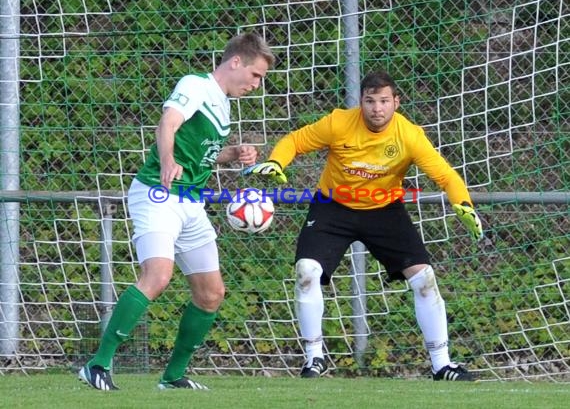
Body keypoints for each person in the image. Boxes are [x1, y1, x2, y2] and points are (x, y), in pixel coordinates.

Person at [245, 70, 483, 381]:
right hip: (333, 206)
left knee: (424, 278)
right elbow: (295, 141)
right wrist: (277, 161)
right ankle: (314, 359)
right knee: (306, 271)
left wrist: (462, 203)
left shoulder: (409, 135)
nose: (377, 108)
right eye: (370, 101)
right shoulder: (338, 122)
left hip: (384, 209)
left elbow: (447, 177)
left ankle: (442, 365)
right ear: (361, 102)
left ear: (396, 102)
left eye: (384, 101)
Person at [78, 32, 275, 391]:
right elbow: (168, 123)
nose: (257, 84)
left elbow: (198, 153)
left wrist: (232, 154)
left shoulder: (222, 103)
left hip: (190, 202)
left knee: (211, 293)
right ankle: (97, 364)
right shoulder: (196, 85)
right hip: (158, 192)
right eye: (256, 75)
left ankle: (172, 377)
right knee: (158, 276)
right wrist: (167, 159)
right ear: (236, 62)